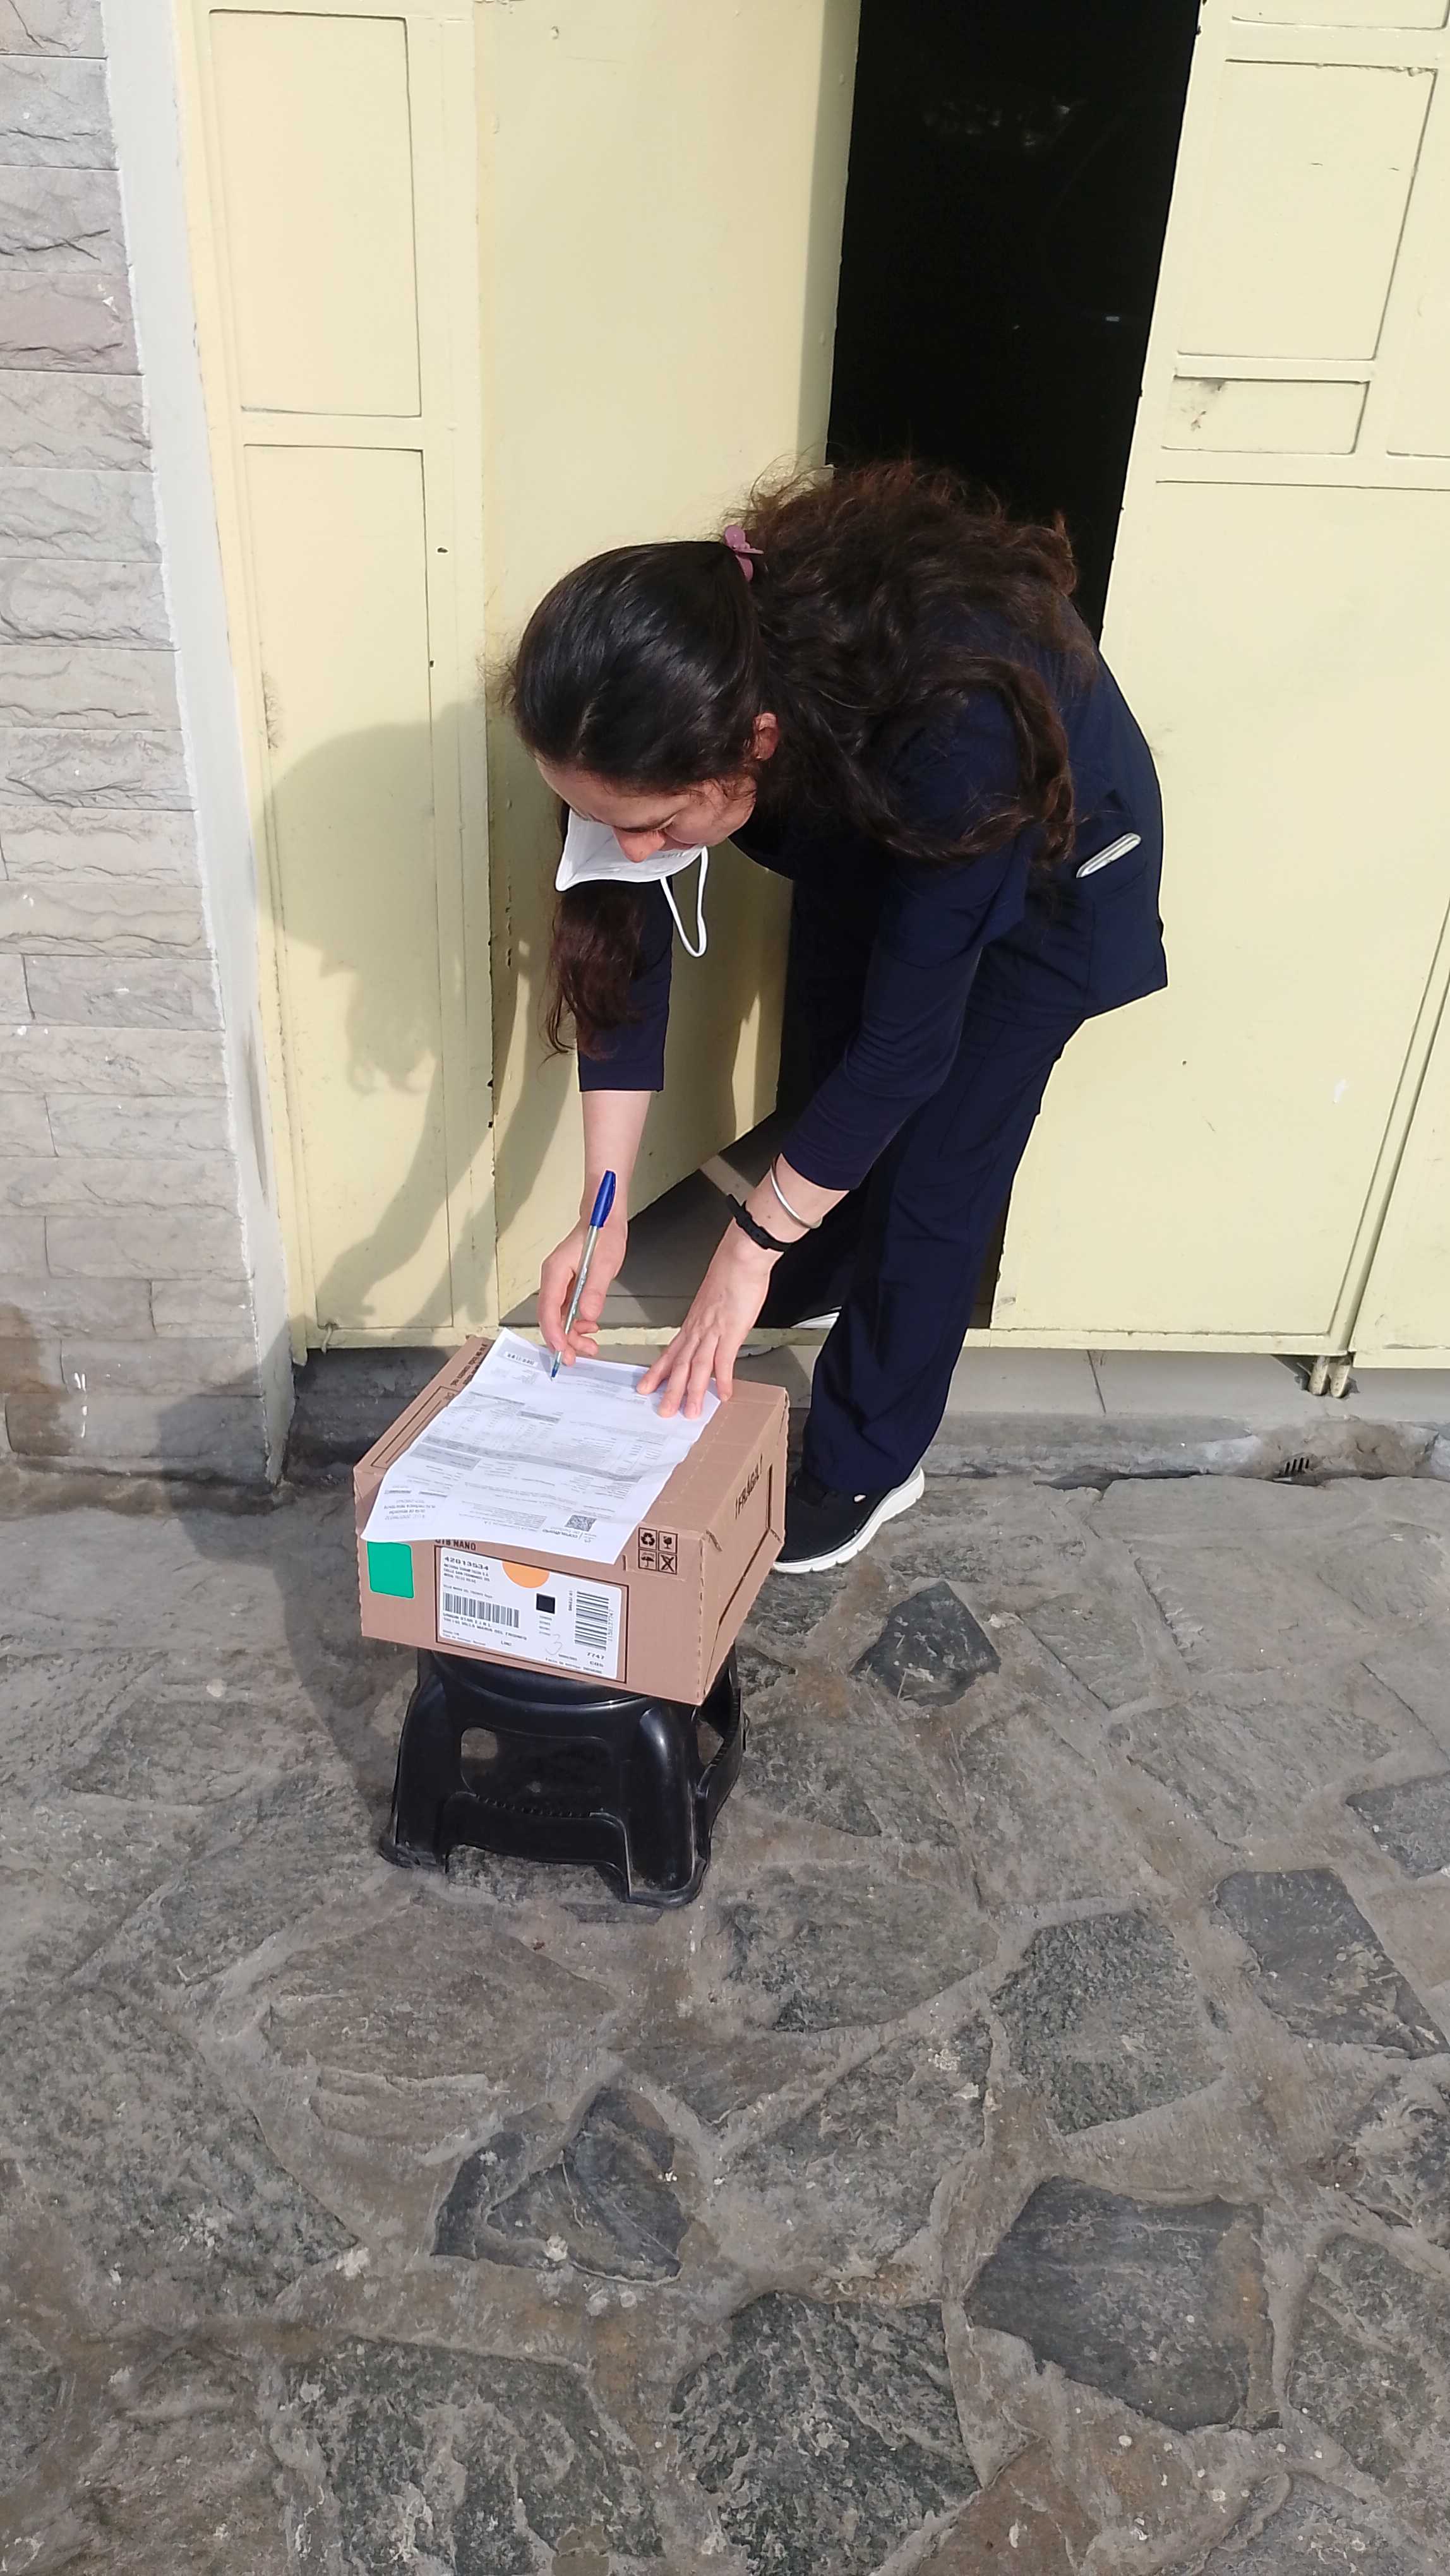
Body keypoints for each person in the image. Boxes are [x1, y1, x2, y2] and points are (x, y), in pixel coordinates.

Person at [504, 463, 1165, 1573]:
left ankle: (869, 1458)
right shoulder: (641, 709)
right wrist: (602, 1209)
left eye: (658, 826)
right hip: (874, 823)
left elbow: (908, 1050)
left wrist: (746, 1247)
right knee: (830, 1076)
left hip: (1050, 872)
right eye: (599, 818)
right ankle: (816, 1262)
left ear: (755, 741)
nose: (629, 846)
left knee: (936, 1172)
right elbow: (624, 956)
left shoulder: (957, 729)